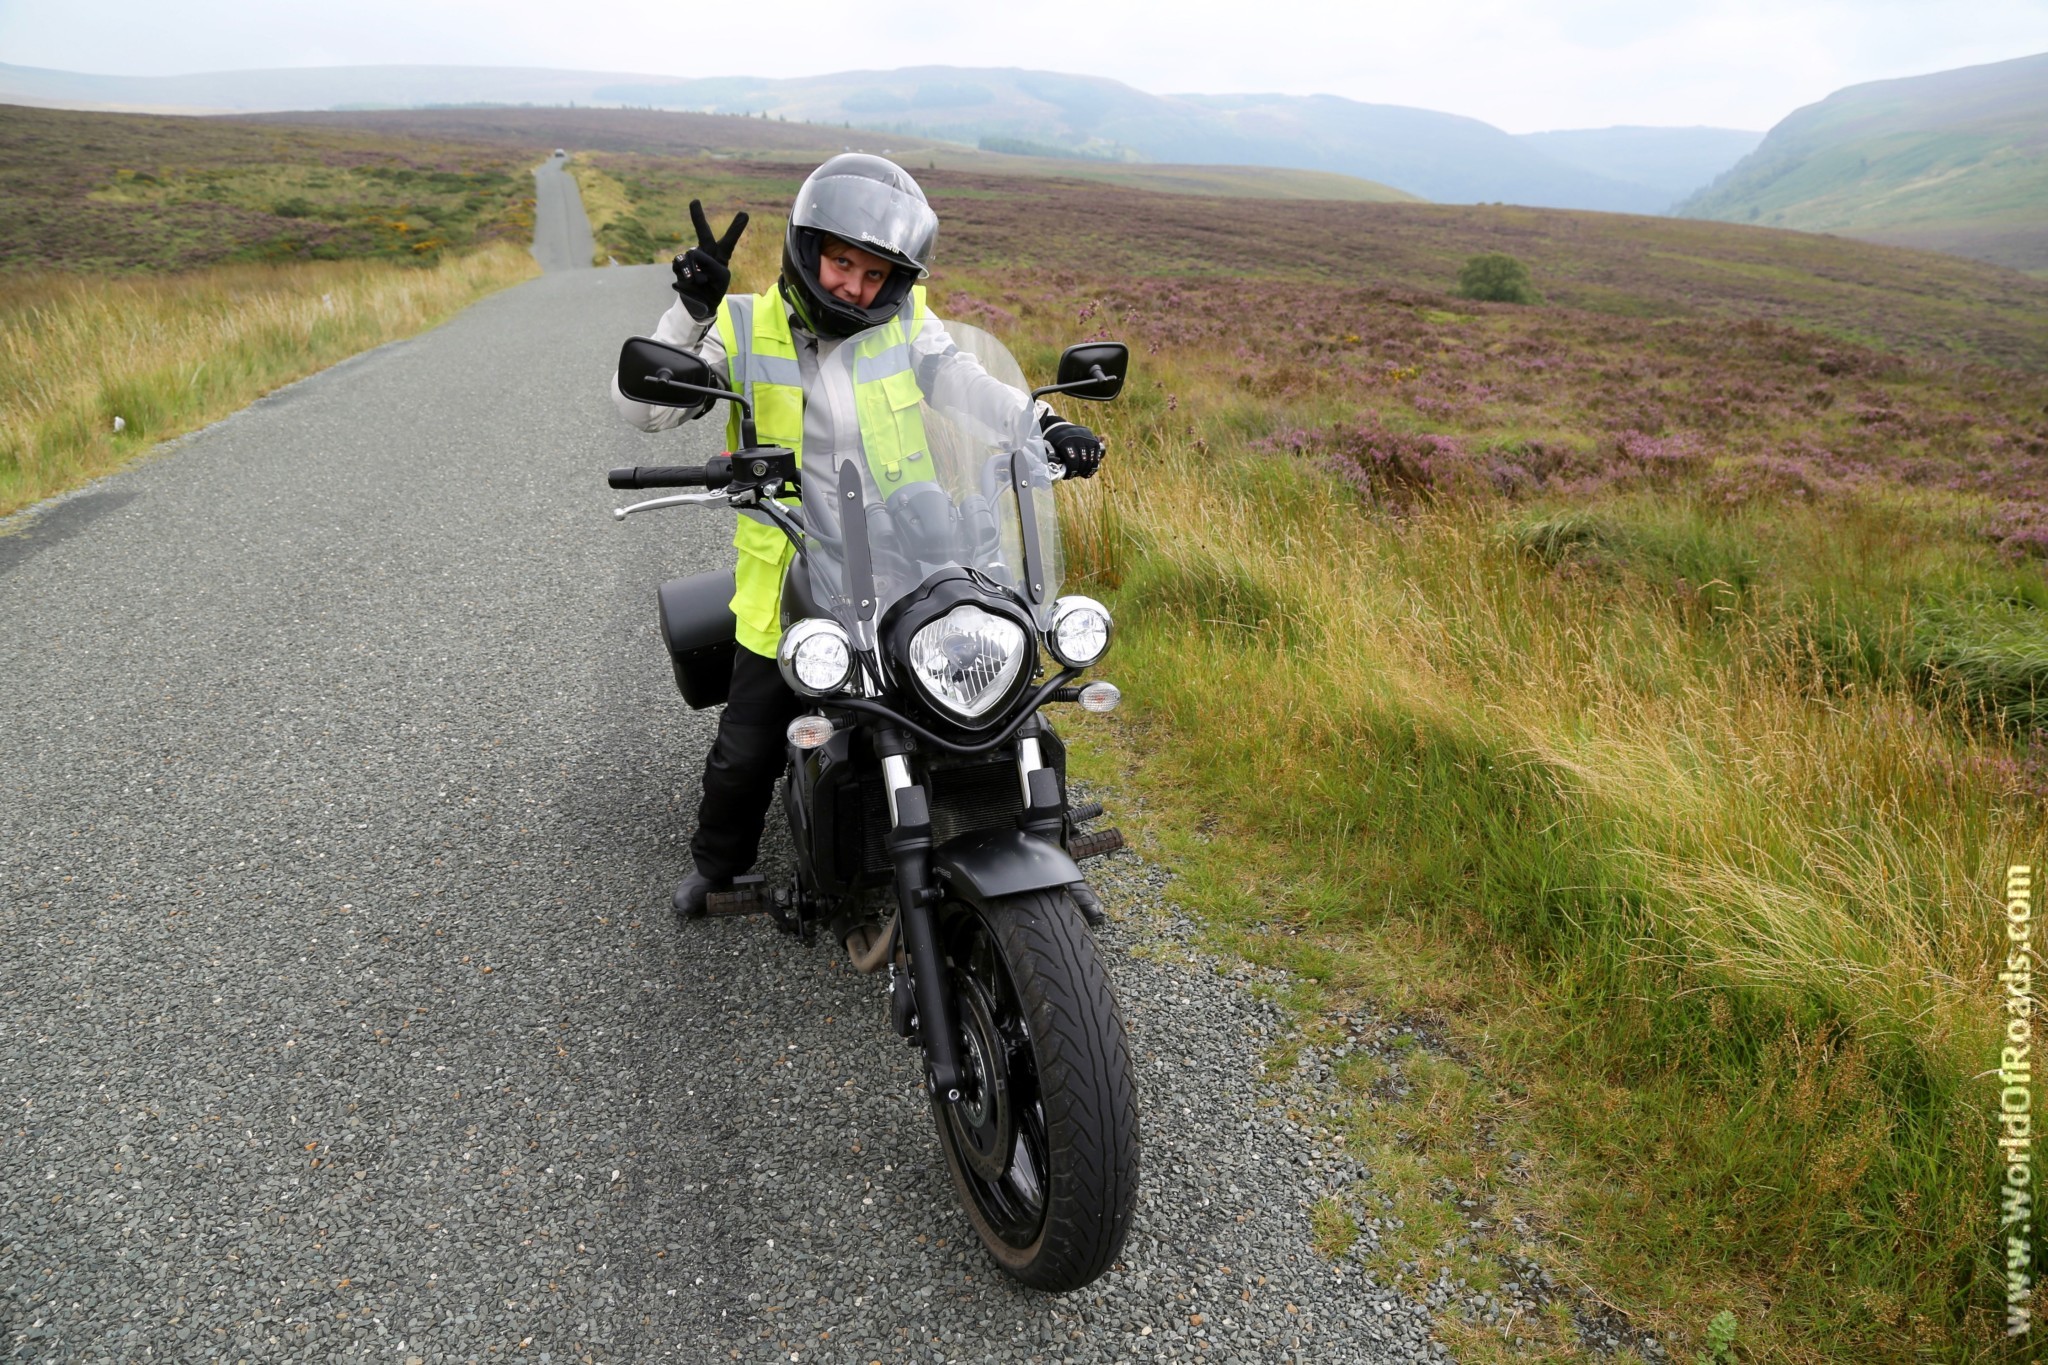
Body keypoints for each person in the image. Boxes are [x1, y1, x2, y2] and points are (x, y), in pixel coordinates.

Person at [611, 154, 1108, 919]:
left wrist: (1043, 423)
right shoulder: (743, 325)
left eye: (876, 274)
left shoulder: (907, 323)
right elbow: (645, 411)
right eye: (843, 262)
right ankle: (716, 865)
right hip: (794, 570)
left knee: (985, 688)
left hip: (910, 551)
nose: (856, 286)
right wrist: (690, 311)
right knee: (748, 745)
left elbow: (969, 385)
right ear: (808, 249)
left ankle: (1023, 836)